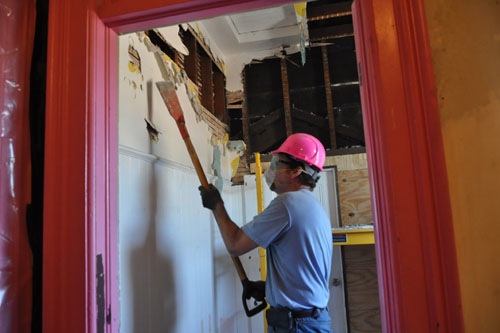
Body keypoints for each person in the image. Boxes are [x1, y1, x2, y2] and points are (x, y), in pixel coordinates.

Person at [199, 133, 332, 333]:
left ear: (296, 171)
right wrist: (269, 288)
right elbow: (302, 267)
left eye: (278, 163)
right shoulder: (313, 206)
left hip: (296, 326)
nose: (272, 169)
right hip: (310, 320)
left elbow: (235, 244)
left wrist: (216, 205)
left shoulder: (287, 204)